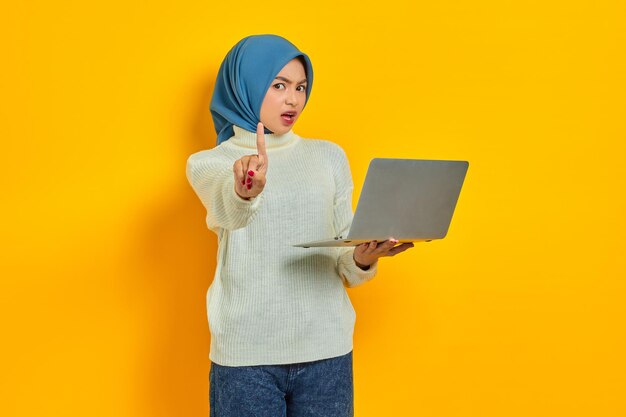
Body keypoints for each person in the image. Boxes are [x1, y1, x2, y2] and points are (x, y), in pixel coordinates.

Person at [186, 34, 414, 417]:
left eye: (301, 87)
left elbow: (343, 260)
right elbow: (231, 213)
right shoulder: (210, 163)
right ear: (245, 85)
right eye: (278, 86)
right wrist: (246, 189)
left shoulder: (328, 157)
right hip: (247, 357)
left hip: (327, 352)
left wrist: (361, 257)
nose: (293, 100)